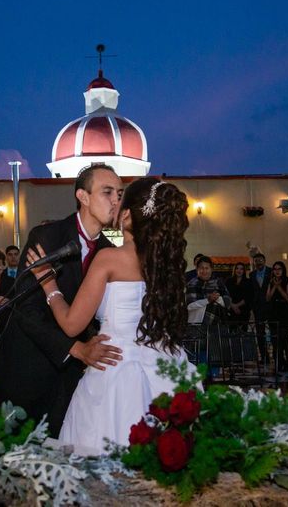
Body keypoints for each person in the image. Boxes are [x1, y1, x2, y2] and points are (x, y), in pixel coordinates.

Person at [25, 177, 194, 455]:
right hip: (167, 364)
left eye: (120, 199)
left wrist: (48, 284)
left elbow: (71, 325)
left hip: (116, 368)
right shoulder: (169, 264)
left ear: (127, 216)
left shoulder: (109, 259)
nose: (115, 202)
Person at [0, 163, 124, 438]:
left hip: (72, 377)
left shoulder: (111, 250)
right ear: (83, 197)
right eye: (107, 192)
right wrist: (75, 348)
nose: (116, 201)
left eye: (119, 194)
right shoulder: (47, 237)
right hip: (27, 368)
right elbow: (26, 309)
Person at [266, 261, 288, 373]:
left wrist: (279, 287)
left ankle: (287, 361)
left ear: (283, 270)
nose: (277, 271)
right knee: (274, 339)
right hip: (274, 310)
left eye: (279, 269)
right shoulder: (270, 282)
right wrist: (274, 286)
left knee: (283, 337)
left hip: (284, 311)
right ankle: (278, 361)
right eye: (275, 269)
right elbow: (268, 298)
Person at [250, 253, 273, 363]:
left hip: (271, 306)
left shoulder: (272, 272)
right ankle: (264, 357)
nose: (258, 262)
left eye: (260, 260)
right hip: (258, 308)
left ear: (264, 260)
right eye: (256, 260)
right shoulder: (252, 274)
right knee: (260, 333)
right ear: (254, 262)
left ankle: (278, 357)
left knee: (274, 331)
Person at [225, 262, 255, 332]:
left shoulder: (248, 282)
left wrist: (237, 306)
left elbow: (249, 296)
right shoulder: (229, 281)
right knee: (231, 331)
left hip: (244, 310)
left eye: (241, 269)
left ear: (244, 271)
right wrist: (233, 306)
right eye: (237, 268)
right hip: (231, 309)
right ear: (234, 270)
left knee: (243, 332)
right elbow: (225, 294)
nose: (239, 270)